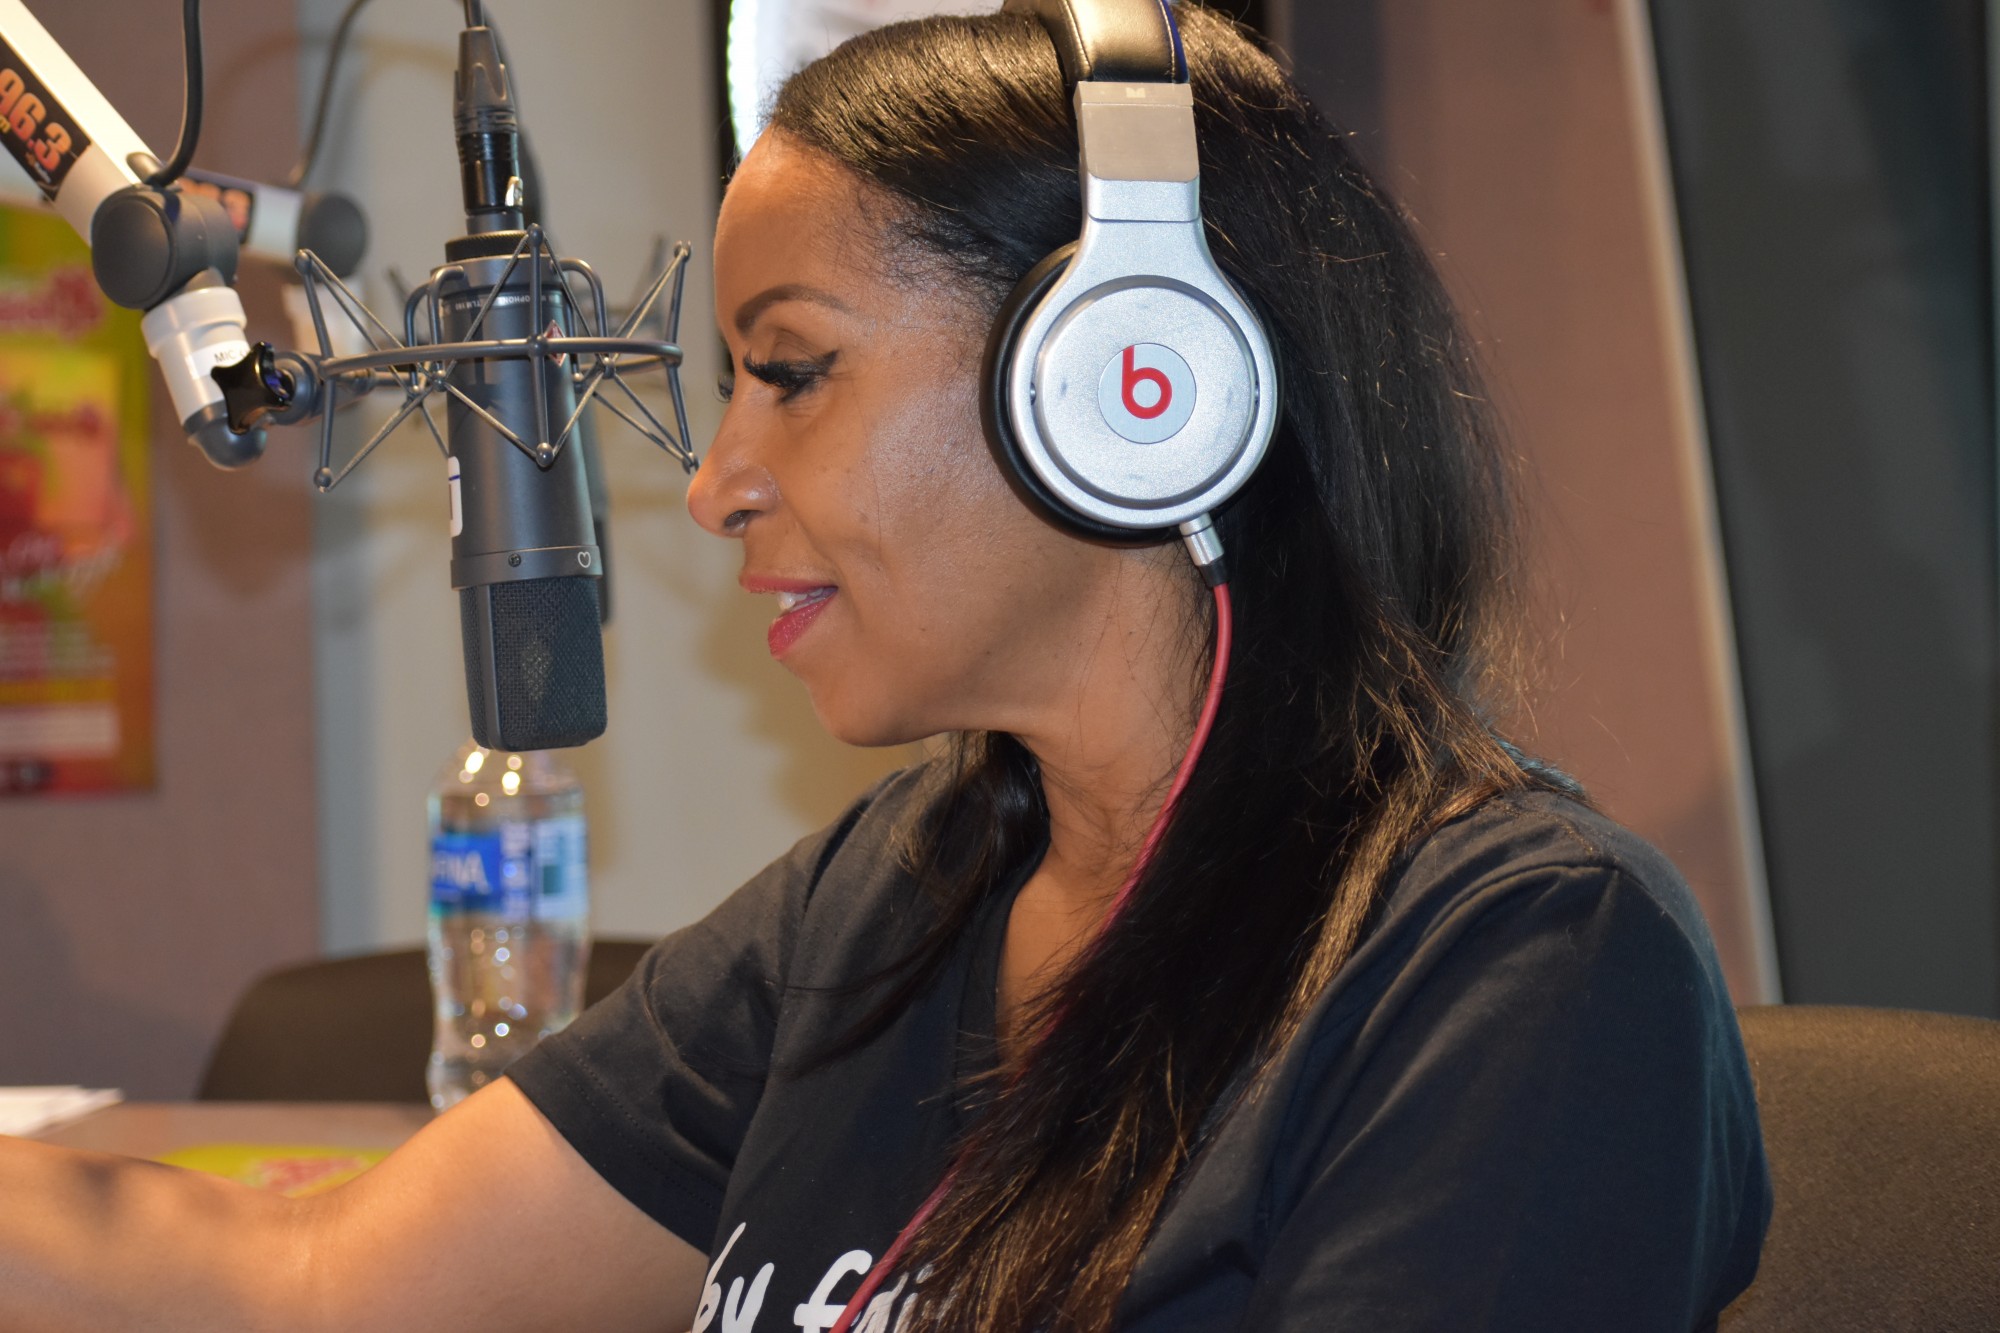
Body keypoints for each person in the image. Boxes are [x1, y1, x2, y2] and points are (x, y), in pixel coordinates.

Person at [0, 4, 1769, 1330]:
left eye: (793, 370)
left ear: (1124, 381)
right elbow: (315, 1273)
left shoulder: (1521, 964)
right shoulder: (898, 891)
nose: (715, 483)